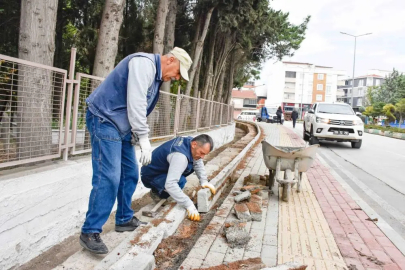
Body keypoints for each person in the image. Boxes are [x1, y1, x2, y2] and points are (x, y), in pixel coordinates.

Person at [79, 47, 193, 254]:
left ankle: (123, 219)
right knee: (109, 176)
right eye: (177, 72)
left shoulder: (156, 76)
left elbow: (140, 107)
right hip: (105, 119)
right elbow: (136, 102)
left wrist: (135, 135)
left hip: (122, 127)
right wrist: (143, 137)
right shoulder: (143, 64)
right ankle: (90, 231)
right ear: (170, 60)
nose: (175, 78)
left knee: (130, 174)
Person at [141, 134, 216, 222]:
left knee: (181, 176)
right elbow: (171, 184)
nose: (202, 157)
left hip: (162, 170)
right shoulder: (180, 156)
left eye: (205, 154)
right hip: (151, 175)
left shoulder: (191, 143)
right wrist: (189, 204)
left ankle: (167, 192)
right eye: (202, 153)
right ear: (194, 144)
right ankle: (157, 193)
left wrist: (204, 181)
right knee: (180, 181)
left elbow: (197, 162)